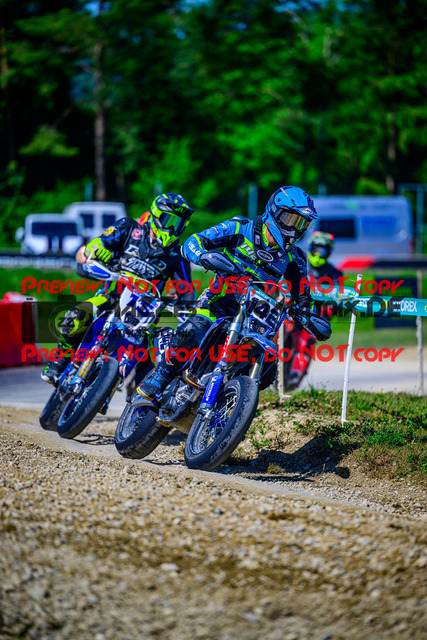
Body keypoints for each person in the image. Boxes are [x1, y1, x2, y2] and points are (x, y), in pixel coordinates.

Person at [134, 185, 331, 403]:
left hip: (256, 318)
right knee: (193, 329)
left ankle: (228, 401)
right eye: (291, 220)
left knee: (268, 369)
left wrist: (307, 315)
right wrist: (203, 256)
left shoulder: (296, 258)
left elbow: (303, 295)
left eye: (301, 224)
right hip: (219, 302)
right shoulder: (240, 227)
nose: (294, 230)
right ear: (274, 212)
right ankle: (161, 376)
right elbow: (194, 242)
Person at [41, 193, 195, 385]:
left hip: (144, 314)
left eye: (178, 224)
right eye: (168, 221)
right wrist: (95, 250)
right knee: (77, 315)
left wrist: (185, 306)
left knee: (153, 358)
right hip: (111, 296)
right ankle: (59, 360)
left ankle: (140, 401)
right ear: (155, 215)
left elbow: (185, 291)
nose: (172, 228)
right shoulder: (129, 227)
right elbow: (98, 243)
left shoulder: (178, 256)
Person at [286, 231, 343, 388]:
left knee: (305, 339)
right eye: (316, 249)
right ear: (311, 248)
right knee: (280, 328)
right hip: (294, 309)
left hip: (316, 315)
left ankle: (294, 377)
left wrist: (327, 309)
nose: (318, 253)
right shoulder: (301, 265)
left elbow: (337, 302)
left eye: (322, 250)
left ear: (328, 252)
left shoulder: (335, 274)